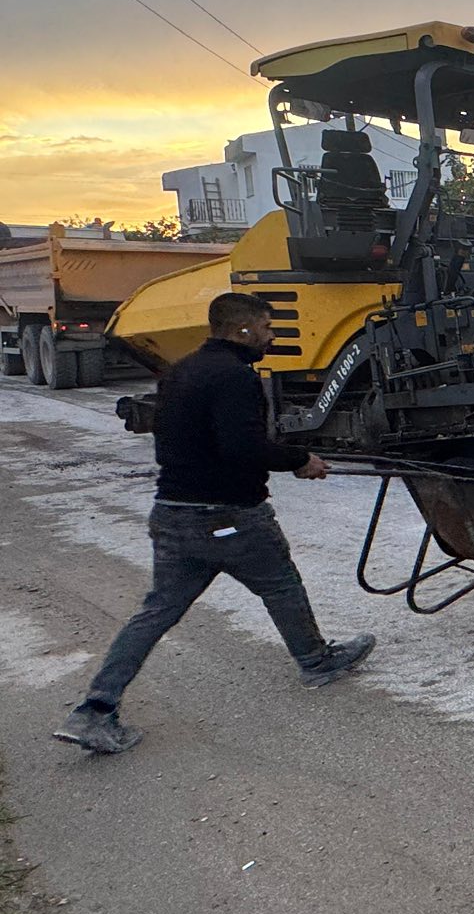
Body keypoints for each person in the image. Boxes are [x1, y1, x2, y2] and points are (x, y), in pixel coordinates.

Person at [53, 292, 375, 755]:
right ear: (242, 329)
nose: (271, 336)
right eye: (267, 327)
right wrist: (300, 459)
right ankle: (316, 661)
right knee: (281, 584)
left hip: (172, 513)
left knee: (156, 611)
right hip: (230, 515)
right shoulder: (235, 378)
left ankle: (95, 710)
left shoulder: (181, 370)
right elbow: (242, 448)